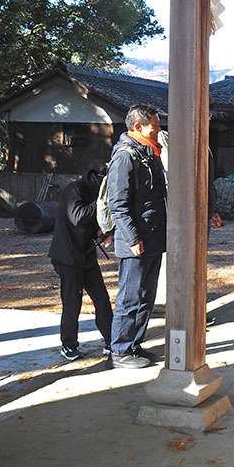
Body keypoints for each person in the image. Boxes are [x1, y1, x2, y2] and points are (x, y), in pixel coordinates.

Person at [108, 104, 168, 369]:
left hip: (153, 236)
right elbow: (117, 205)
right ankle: (120, 350)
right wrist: (133, 239)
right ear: (137, 128)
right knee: (130, 297)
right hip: (135, 241)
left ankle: (135, 345)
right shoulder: (125, 156)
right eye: (153, 129)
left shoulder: (150, 153)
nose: (157, 133)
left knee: (147, 295)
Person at [48, 167, 113, 361]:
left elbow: (95, 221)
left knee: (101, 298)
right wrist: (101, 204)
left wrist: (104, 231)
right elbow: (78, 217)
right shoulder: (74, 190)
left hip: (86, 255)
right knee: (72, 302)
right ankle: (68, 344)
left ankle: (111, 340)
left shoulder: (94, 193)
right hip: (67, 257)